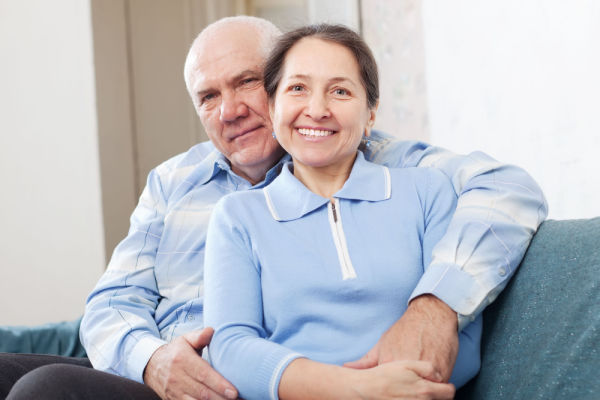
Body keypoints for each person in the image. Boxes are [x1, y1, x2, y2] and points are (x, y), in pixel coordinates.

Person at [0, 15, 547, 400]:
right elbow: (112, 301)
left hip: (250, 381)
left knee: (47, 390)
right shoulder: (176, 182)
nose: (231, 110)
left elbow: (509, 190)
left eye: (245, 83)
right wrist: (150, 359)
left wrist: (435, 305)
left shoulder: (394, 170)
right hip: (161, 370)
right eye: (209, 97)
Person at [204, 23, 481, 400]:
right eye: (298, 88)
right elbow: (230, 348)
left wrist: (400, 389)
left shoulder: (427, 192)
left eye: (340, 91)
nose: (317, 110)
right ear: (273, 106)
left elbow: (458, 335)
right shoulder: (237, 216)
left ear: (370, 114)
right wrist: (358, 389)